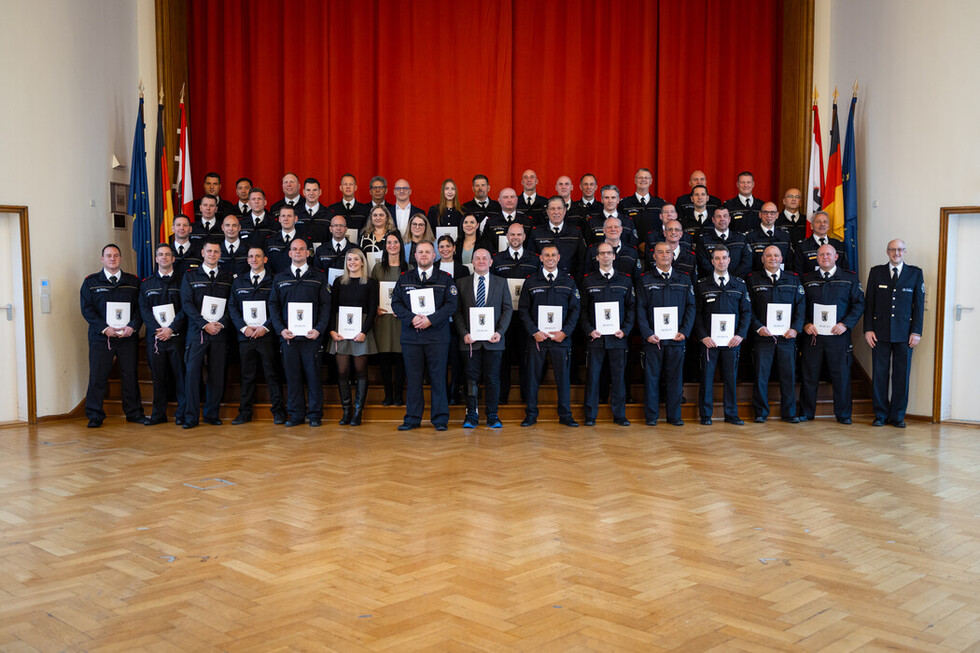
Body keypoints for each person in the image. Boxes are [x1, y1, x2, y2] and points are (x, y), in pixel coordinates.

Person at [391, 240, 458, 431]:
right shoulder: (404, 278)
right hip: (411, 337)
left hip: (437, 337)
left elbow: (452, 305)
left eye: (427, 252)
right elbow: (396, 303)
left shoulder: (445, 278)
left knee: (438, 379)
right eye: (420, 252)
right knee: (413, 379)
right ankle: (412, 418)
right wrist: (412, 319)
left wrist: (431, 320)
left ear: (434, 255)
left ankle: (440, 420)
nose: (423, 255)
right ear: (415, 255)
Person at [80, 244, 146, 427]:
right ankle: (95, 415)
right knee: (97, 377)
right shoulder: (91, 282)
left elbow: (141, 308)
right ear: (102, 259)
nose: (112, 259)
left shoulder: (133, 282)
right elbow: (87, 310)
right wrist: (103, 328)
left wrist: (133, 327)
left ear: (121, 259)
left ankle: (134, 413)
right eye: (108, 256)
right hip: (101, 338)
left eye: (116, 255)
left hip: (127, 338)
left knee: (130, 376)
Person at [799, 244, 865, 423]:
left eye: (829, 254)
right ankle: (806, 412)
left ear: (836, 257)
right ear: (816, 258)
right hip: (813, 337)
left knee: (841, 376)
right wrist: (805, 324)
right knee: (809, 375)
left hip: (838, 336)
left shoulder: (849, 279)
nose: (825, 257)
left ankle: (843, 415)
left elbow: (859, 304)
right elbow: (799, 305)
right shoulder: (806, 279)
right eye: (821, 254)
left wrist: (846, 324)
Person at [269, 238, 332, 427]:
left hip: (311, 337)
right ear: (289, 253)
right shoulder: (280, 278)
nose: (297, 252)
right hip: (289, 337)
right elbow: (273, 305)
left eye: (301, 249)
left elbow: (325, 306)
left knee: (313, 376)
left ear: (308, 253)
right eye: (294, 249)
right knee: (292, 376)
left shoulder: (318, 277)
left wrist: (319, 329)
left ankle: (314, 415)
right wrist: (280, 330)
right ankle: (296, 414)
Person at [518, 244, 581, 427]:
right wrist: (533, 331)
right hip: (537, 339)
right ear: (541, 258)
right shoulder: (531, 281)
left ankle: (565, 414)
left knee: (563, 379)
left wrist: (565, 332)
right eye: (547, 255)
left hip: (560, 339)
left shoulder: (568, 281)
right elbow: (523, 310)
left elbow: (575, 310)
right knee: (532, 378)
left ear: (559, 257)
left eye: (554, 255)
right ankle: (531, 414)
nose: (550, 258)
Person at [864, 239, 924, 428]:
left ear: (905, 251)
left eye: (899, 249)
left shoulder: (915, 273)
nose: (896, 253)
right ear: (887, 251)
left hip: (905, 334)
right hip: (879, 333)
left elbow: (919, 307)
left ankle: (898, 415)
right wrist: (868, 329)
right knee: (880, 375)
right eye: (892, 250)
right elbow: (869, 303)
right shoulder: (876, 272)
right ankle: (880, 414)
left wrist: (916, 331)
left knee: (901, 375)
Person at [636, 242, 696, 426]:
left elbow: (691, 307)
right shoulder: (645, 279)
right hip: (653, 340)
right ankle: (652, 417)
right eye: (660, 252)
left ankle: (674, 416)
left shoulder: (684, 279)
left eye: (668, 252)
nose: (664, 255)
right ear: (653, 256)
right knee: (651, 378)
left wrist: (684, 332)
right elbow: (640, 309)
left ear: (673, 256)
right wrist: (647, 333)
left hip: (676, 339)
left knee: (675, 379)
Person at [454, 248, 513, 428]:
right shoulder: (461, 283)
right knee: (470, 378)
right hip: (470, 342)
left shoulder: (501, 283)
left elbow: (507, 309)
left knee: (492, 378)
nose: (480, 261)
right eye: (477, 258)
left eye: (484, 258)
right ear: (472, 262)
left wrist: (500, 332)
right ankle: (471, 414)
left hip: (494, 341)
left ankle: (492, 414)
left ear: (490, 262)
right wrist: (464, 333)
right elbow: (456, 311)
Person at [228, 245, 286, 425]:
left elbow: (278, 308)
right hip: (245, 337)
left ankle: (278, 412)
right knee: (247, 375)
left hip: (266, 336)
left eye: (258, 256)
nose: (254, 259)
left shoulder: (274, 281)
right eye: (251, 256)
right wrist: (243, 328)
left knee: (272, 374)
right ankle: (245, 412)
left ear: (265, 259)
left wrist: (266, 327)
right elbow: (232, 307)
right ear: (247, 260)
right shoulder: (239, 282)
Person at [746, 246, 805, 423]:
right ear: (762, 259)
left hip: (787, 338)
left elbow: (801, 306)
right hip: (763, 337)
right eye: (769, 255)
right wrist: (758, 327)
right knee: (760, 377)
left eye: (776, 255)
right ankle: (761, 412)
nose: (773, 258)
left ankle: (789, 412)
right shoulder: (752, 280)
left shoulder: (793, 279)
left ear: (782, 259)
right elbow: (747, 308)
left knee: (788, 376)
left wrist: (795, 328)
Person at [579, 243, 635, 426]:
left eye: (609, 253)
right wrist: (589, 330)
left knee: (619, 379)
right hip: (596, 338)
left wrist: (625, 330)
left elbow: (631, 308)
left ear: (614, 256)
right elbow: (583, 310)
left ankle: (619, 415)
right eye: (602, 253)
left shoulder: (625, 280)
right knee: (593, 378)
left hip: (617, 338)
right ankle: (590, 415)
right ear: (596, 257)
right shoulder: (588, 280)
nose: (605, 256)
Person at [695, 246, 751, 425]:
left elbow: (746, 312)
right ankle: (705, 415)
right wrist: (703, 336)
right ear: (712, 261)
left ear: (729, 260)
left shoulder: (739, 285)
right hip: (709, 342)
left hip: (732, 342)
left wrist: (740, 335)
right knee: (707, 378)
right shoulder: (702, 285)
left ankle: (731, 414)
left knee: (730, 378)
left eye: (724, 258)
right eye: (717, 258)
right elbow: (695, 313)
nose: (721, 261)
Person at [180, 239, 234, 428]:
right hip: (197, 332)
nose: (212, 254)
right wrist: (204, 324)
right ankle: (191, 417)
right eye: (209, 251)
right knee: (192, 374)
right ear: (202, 253)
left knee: (216, 375)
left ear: (220, 255)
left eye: (216, 252)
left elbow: (232, 305)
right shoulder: (190, 276)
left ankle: (212, 414)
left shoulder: (227, 277)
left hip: (219, 332)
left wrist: (221, 323)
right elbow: (186, 304)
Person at [328, 248, 379, 426]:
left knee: (360, 371)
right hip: (340, 331)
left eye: (356, 259)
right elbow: (332, 308)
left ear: (362, 262)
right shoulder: (338, 282)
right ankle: (346, 411)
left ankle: (358, 412)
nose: (352, 262)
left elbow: (373, 309)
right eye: (349, 259)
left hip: (361, 331)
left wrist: (364, 331)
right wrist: (331, 330)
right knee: (342, 371)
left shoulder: (370, 283)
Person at [138, 243, 187, 426]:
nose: (164, 257)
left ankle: (182, 413)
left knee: (180, 376)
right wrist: (159, 330)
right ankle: (158, 414)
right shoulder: (147, 284)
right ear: (156, 258)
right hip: (156, 339)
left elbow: (185, 308)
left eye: (168, 254)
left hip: (177, 337)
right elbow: (144, 310)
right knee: (157, 377)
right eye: (160, 254)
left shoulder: (183, 282)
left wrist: (171, 329)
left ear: (173, 258)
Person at [490, 221, 538, 405]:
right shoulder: (498, 259)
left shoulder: (534, 259)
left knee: (527, 358)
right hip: (504, 319)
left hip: (526, 318)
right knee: (502, 358)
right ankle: (502, 397)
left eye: (519, 234)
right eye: (512, 234)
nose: (515, 238)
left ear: (524, 237)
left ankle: (527, 397)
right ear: (507, 237)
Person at [371, 230, 410, 406]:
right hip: (383, 319)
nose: (392, 245)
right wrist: (375, 309)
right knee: (385, 358)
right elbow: (371, 293)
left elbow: (413, 294)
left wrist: (405, 310)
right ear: (385, 246)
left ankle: (398, 394)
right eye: (389, 243)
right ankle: (387, 394)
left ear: (401, 246)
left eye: (395, 242)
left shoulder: (408, 268)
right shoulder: (378, 268)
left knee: (401, 358)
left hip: (401, 320)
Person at [530, 196, 587, 279]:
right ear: (547, 211)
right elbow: (532, 260)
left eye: (559, 208)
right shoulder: (537, 233)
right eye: (552, 209)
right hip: (543, 281)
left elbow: (582, 261)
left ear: (564, 211)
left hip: (570, 282)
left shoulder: (575, 233)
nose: (556, 212)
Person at [696, 207, 751, 280]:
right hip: (711, 283)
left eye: (725, 216)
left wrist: (731, 279)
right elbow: (703, 263)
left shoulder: (741, 238)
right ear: (713, 220)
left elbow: (747, 262)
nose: (722, 219)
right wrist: (718, 277)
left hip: (737, 284)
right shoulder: (704, 240)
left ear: (729, 219)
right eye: (718, 216)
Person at [744, 202, 793, 273]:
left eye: (772, 212)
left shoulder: (784, 236)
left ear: (777, 215)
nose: (769, 215)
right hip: (758, 279)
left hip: (782, 279)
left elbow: (790, 262)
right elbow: (748, 264)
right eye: (765, 212)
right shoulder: (750, 237)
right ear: (760, 215)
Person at [263, 205, 312, 275]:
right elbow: (266, 265)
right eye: (283, 216)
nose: (286, 219)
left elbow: (309, 264)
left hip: (297, 281)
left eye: (289, 216)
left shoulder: (305, 241)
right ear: (279, 219)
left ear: (296, 219)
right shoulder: (270, 241)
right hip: (275, 281)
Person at [618, 167, 665, 237]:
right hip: (632, 245)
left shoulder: (660, 203)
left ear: (651, 181)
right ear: (635, 180)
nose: (643, 180)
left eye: (646, 178)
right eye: (640, 177)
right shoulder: (624, 204)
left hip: (654, 244)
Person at [483, 187, 532, 252]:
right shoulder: (491, 222)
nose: (509, 200)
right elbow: (487, 246)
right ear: (499, 201)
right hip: (497, 260)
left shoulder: (527, 221)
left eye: (512, 197)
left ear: (517, 199)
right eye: (505, 197)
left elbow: (530, 246)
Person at [218, 214, 248, 278]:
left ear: (239, 228)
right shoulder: (216, 250)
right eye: (227, 225)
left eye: (234, 225)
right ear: (222, 227)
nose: (231, 229)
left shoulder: (249, 250)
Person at [170, 214, 200, 280]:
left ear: (190, 229)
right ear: (173, 229)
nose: (182, 228)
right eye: (178, 225)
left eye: (185, 225)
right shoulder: (166, 252)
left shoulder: (200, 252)